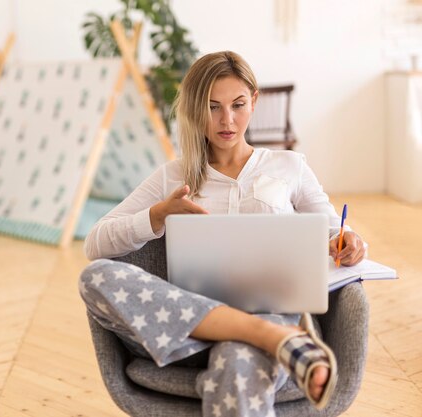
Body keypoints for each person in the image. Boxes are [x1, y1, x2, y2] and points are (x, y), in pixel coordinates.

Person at [79, 51, 366, 417]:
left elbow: (337, 233)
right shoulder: (174, 175)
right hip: (185, 329)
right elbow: (95, 241)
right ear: (196, 109)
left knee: (237, 360)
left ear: (254, 101)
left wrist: (351, 242)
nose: (226, 120)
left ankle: (265, 335)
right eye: (212, 107)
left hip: (272, 314)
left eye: (238, 105)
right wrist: (157, 215)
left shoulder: (289, 167)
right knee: (95, 276)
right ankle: (272, 339)